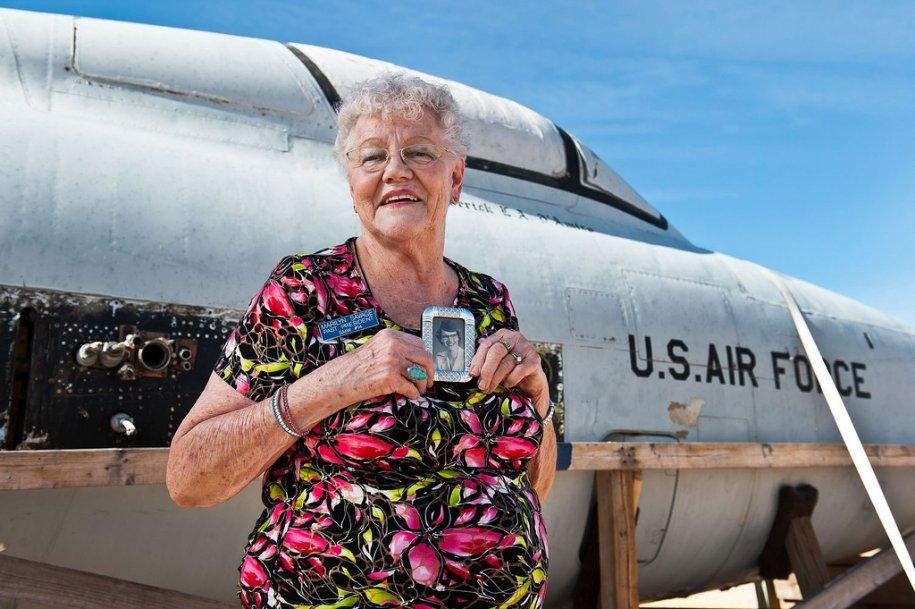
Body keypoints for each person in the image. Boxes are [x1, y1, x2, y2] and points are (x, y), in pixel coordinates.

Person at [166, 73, 557, 609]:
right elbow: (189, 478)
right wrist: (335, 383)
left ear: (457, 179)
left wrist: (540, 400)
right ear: (353, 185)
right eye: (372, 157)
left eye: (419, 152)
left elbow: (528, 485)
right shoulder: (303, 291)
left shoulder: (489, 301)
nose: (395, 169)